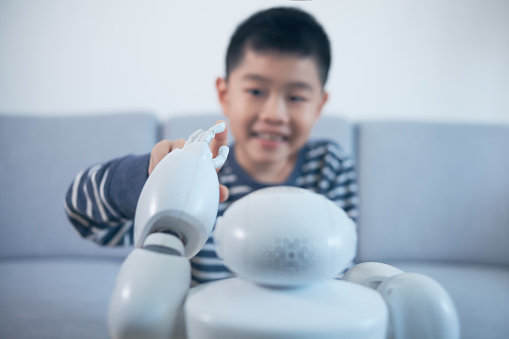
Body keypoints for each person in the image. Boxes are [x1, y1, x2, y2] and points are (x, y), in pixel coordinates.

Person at [64, 6, 359, 286]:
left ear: (319, 106)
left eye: (295, 97)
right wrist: (154, 178)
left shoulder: (330, 166)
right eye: (255, 91)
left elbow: (338, 269)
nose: (273, 114)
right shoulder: (199, 177)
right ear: (225, 93)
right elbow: (84, 217)